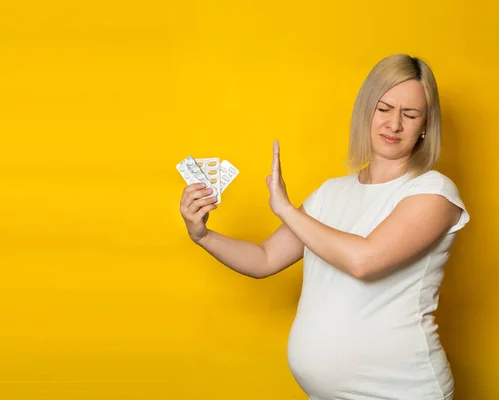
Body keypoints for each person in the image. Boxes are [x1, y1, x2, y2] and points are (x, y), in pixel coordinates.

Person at [179, 53, 470, 400]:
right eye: (384, 109)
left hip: (403, 391)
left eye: (410, 115)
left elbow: (363, 260)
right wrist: (202, 235)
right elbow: (264, 258)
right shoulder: (330, 194)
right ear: (366, 111)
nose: (394, 125)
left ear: (425, 125)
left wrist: (286, 210)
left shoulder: (434, 192)